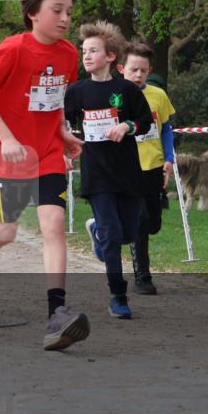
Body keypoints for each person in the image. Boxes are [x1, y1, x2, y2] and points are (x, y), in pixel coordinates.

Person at [0, 0, 90, 351]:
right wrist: (8, 138)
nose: (65, 19)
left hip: (46, 152)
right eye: (56, 10)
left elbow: (56, 99)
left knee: (54, 224)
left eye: (69, 12)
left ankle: (56, 314)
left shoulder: (68, 54)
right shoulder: (13, 49)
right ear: (33, 14)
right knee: (7, 230)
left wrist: (62, 133)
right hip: (6, 153)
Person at [68, 22, 152, 319]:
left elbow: (146, 121)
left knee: (129, 231)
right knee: (113, 233)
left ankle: (99, 234)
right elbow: (63, 124)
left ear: (111, 56)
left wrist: (127, 125)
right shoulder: (76, 91)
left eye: (93, 51)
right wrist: (66, 149)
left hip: (128, 172)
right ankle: (118, 295)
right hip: (96, 173)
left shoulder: (126, 89)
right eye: (84, 51)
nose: (86, 56)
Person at [117, 43, 177, 295]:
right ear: (121, 69)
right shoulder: (114, 95)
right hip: (127, 166)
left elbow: (166, 129)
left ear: (149, 70)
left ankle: (103, 229)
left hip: (153, 164)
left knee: (153, 223)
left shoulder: (158, 96)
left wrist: (169, 159)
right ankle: (143, 276)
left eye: (143, 70)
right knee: (140, 220)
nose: (138, 75)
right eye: (133, 70)